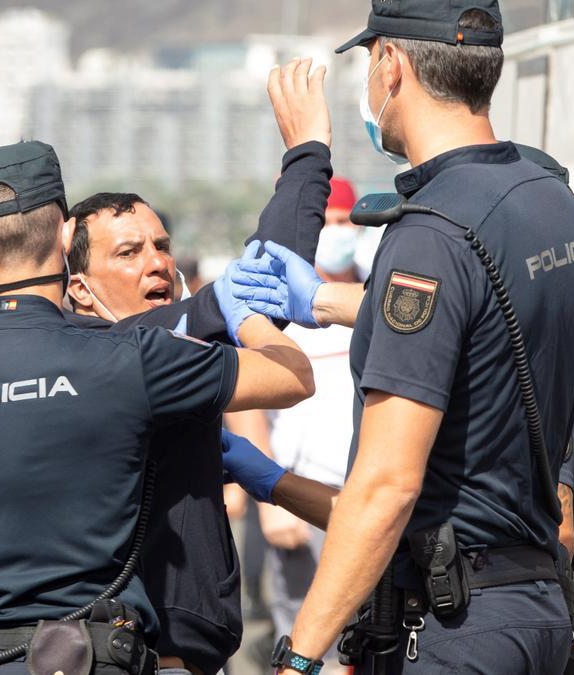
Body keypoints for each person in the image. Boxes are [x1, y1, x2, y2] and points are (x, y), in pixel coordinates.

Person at [231, 1, 574, 672]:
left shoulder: (428, 234)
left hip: (453, 624)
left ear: (392, 65)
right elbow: (485, 324)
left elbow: (387, 484)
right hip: (537, 607)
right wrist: (327, 300)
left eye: (368, 64)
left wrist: (299, 658)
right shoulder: (548, 198)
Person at [0, 140, 315, 674]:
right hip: (85, 653)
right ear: (63, 236)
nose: (158, 265)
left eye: (161, 247)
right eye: (130, 252)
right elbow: (292, 375)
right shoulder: (128, 359)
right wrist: (245, 314)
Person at [253, 176, 361, 672]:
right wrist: (274, 498)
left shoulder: (373, 294)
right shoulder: (273, 304)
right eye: (330, 222)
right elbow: (246, 403)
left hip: (363, 500)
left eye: (346, 221)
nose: (339, 231)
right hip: (304, 498)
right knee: (302, 643)